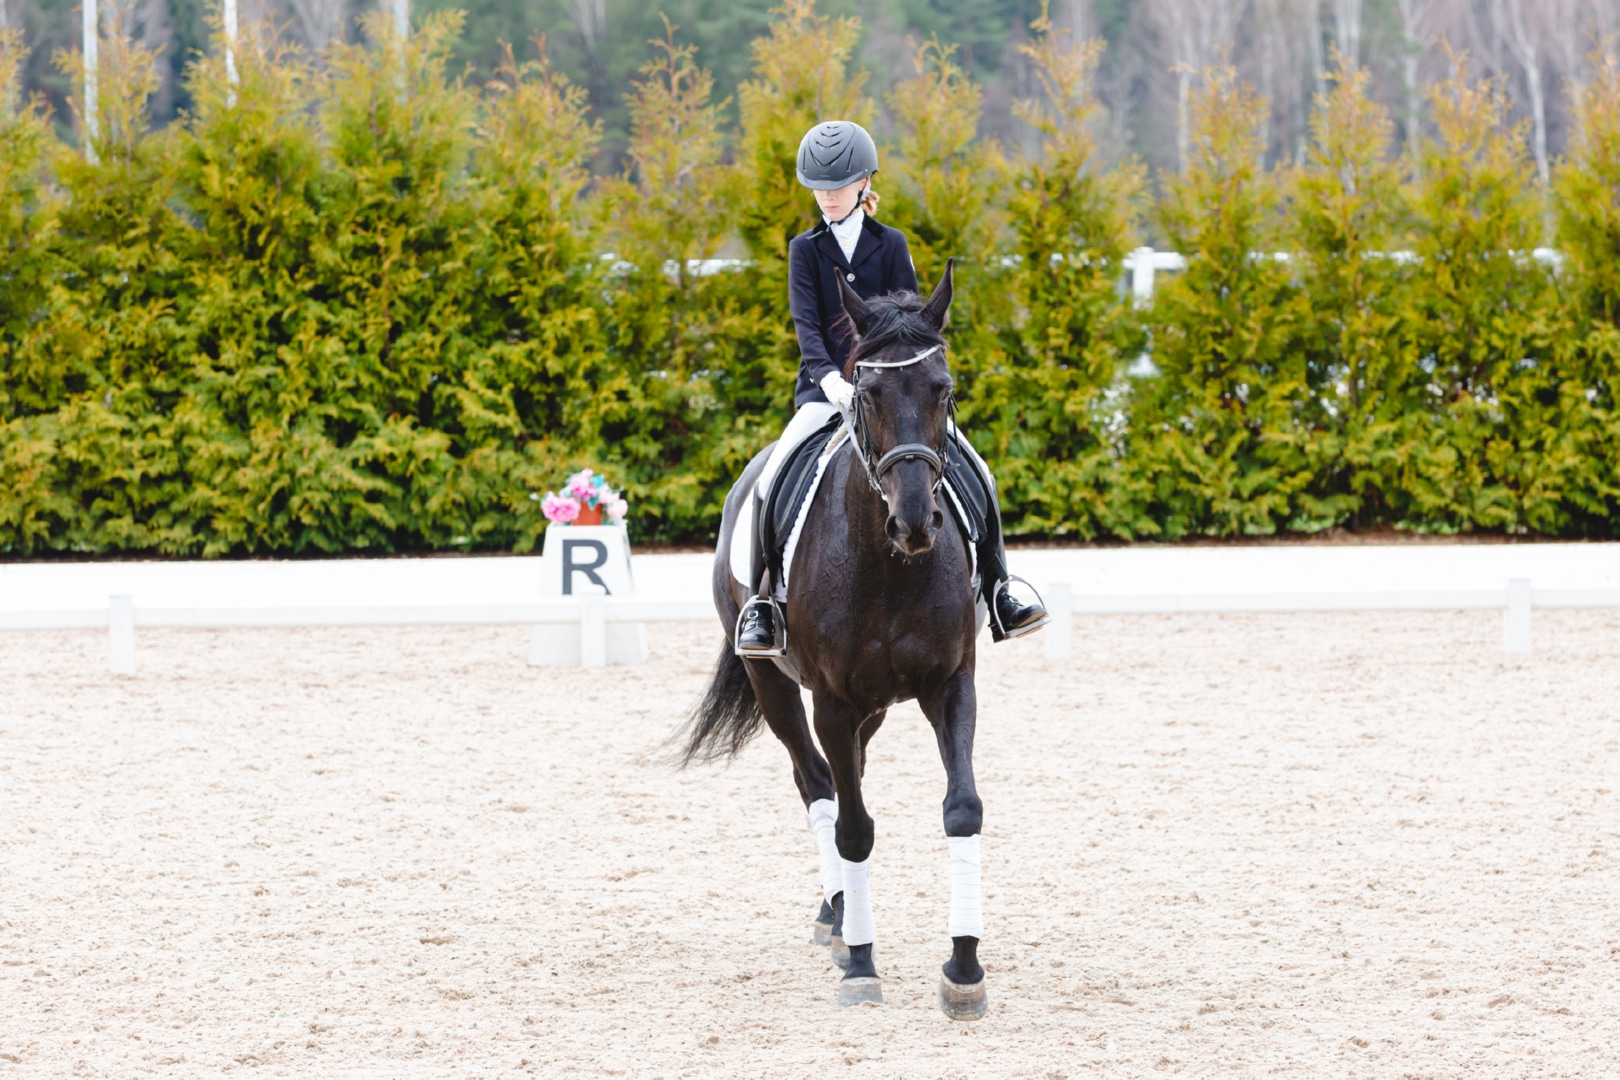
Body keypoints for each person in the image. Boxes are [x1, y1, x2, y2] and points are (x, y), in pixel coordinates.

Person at [735, 120, 1047, 655]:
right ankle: (764, 606)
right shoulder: (804, 250)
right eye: (819, 187)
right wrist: (830, 380)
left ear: (863, 185)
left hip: (894, 393)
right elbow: (806, 326)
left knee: (979, 470)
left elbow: (912, 323)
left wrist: (891, 378)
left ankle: (999, 588)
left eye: (838, 186)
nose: (827, 197)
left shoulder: (891, 244)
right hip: (824, 392)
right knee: (771, 478)